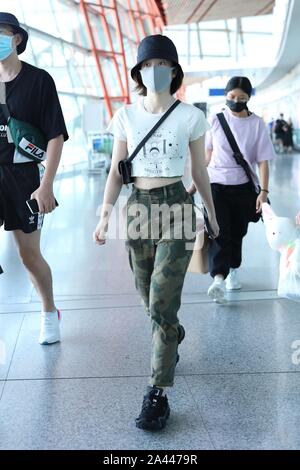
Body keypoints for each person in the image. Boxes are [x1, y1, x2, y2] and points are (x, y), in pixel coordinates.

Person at [93, 34, 219, 431]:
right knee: (150, 302)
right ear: (139, 72)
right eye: (148, 66)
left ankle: (156, 393)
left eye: (162, 65)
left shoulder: (190, 117)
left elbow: (199, 173)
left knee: (162, 303)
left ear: (174, 71)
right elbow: (117, 172)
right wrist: (103, 215)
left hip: (177, 207)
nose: (154, 71)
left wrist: (211, 216)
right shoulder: (125, 116)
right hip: (138, 210)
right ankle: (173, 334)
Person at [0, 13, 68, 344]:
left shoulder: (39, 81)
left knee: (28, 255)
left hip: (24, 175)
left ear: (16, 38)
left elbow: (55, 136)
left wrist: (46, 185)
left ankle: (48, 311)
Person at [196, 76, 275, 303]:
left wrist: (264, 191)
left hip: (242, 187)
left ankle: (233, 270)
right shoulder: (215, 120)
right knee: (219, 230)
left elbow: (263, 161)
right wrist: (195, 183)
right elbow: (208, 154)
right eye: (231, 97)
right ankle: (219, 278)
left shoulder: (257, 124)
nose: (236, 101)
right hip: (215, 185)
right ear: (226, 96)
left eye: (242, 98)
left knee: (238, 232)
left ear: (249, 98)